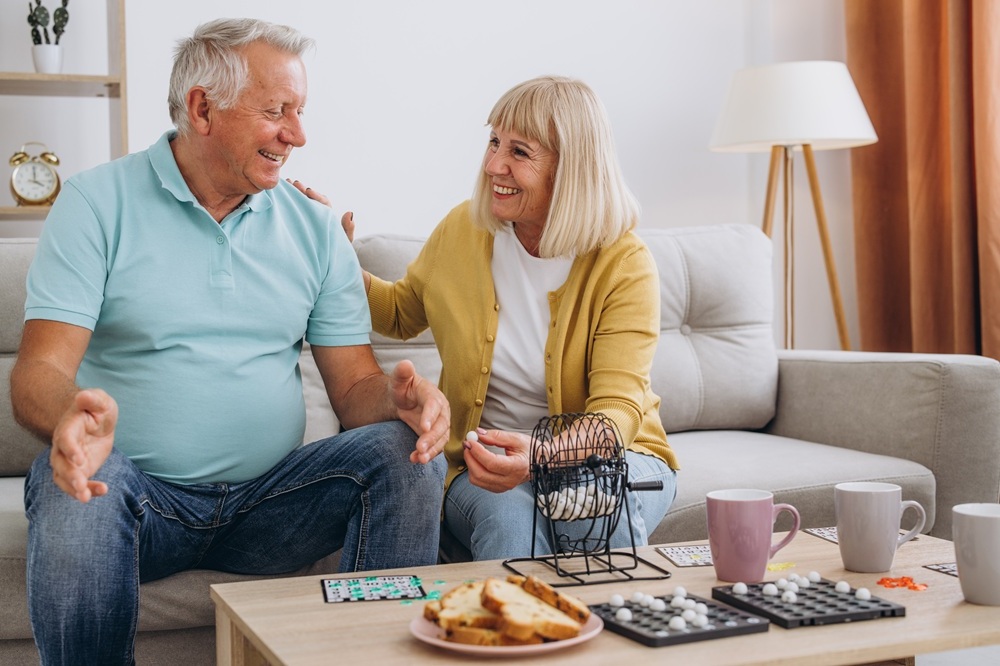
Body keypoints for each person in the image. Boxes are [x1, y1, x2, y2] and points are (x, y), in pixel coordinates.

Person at [10, 18, 449, 665]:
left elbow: (356, 386)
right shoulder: (96, 205)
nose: (297, 134)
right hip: (140, 503)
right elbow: (39, 372)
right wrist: (67, 417)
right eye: (276, 112)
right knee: (72, 487)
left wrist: (399, 401)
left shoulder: (316, 230)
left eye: (299, 112)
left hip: (271, 505)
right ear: (202, 109)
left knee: (405, 455)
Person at [301, 75, 679, 561]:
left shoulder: (623, 263)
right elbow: (399, 313)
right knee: (509, 524)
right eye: (494, 142)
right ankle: (504, 613)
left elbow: (616, 414)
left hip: (614, 455)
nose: (494, 164)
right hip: (484, 458)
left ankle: (617, 611)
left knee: (590, 502)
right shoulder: (464, 230)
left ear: (571, 167)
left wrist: (542, 457)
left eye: (519, 152)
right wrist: (338, 258)